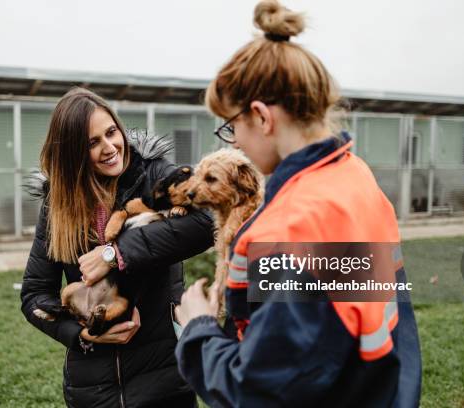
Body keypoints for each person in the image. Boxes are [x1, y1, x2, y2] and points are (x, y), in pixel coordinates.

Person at [174, 1, 422, 407]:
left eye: (231, 126)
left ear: (261, 116)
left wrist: (199, 327)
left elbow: (258, 391)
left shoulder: (289, 230)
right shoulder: (356, 177)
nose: (233, 141)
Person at [20, 87, 214, 407]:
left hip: (162, 378)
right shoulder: (57, 205)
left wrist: (116, 253)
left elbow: (209, 218)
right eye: (92, 143)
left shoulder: (153, 174)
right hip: (93, 387)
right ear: (73, 154)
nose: (110, 147)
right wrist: (81, 334)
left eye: (111, 132)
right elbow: (34, 295)